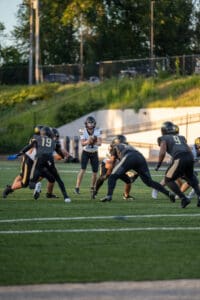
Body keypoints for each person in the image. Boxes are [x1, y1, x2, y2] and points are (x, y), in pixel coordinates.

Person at [100, 135, 176, 203]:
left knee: (113, 176)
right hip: (140, 158)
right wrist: (134, 174)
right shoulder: (129, 146)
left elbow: (113, 161)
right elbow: (130, 164)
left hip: (129, 157)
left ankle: (109, 196)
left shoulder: (116, 147)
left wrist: (107, 174)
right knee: (149, 182)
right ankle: (168, 193)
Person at [17, 126, 71, 203]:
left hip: (40, 161)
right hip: (49, 161)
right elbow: (61, 154)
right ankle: (66, 197)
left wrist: (21, 152)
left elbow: (29, 146)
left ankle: (36, 186)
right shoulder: (53, 142)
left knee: (31, 182)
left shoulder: (38, 139)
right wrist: (63, 156)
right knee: (58, 179)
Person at [155, 121, 200, 208]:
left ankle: (183, 198)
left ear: (163, 130)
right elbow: (188, 149)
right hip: (189, 156)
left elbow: (162, 152)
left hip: (180, 157)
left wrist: (159, 164)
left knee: (168, 179)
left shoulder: (163, 138)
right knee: (191, 177)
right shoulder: (181, 137)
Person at [93, 135, 138, 200]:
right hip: (107, 163)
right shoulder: (113, 149)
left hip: (117, 165)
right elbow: (112, 162)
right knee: (104, 177)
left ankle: (126, 195)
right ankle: (95, 191)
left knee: (128, 181)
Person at [74, 116, 102, 198]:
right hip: (85, 152)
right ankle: (77, 187)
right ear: (86, 123)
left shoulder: (97, 131)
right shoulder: (83, 131)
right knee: (82, 169)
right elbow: (82, 143)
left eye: (92, 123)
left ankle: (92, 188)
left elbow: (100, 143)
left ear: (94, 123)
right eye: (89, 123)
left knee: (95, 172)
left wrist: (93, 141)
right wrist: (88, 141)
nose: (90, 124)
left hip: (94, 152)